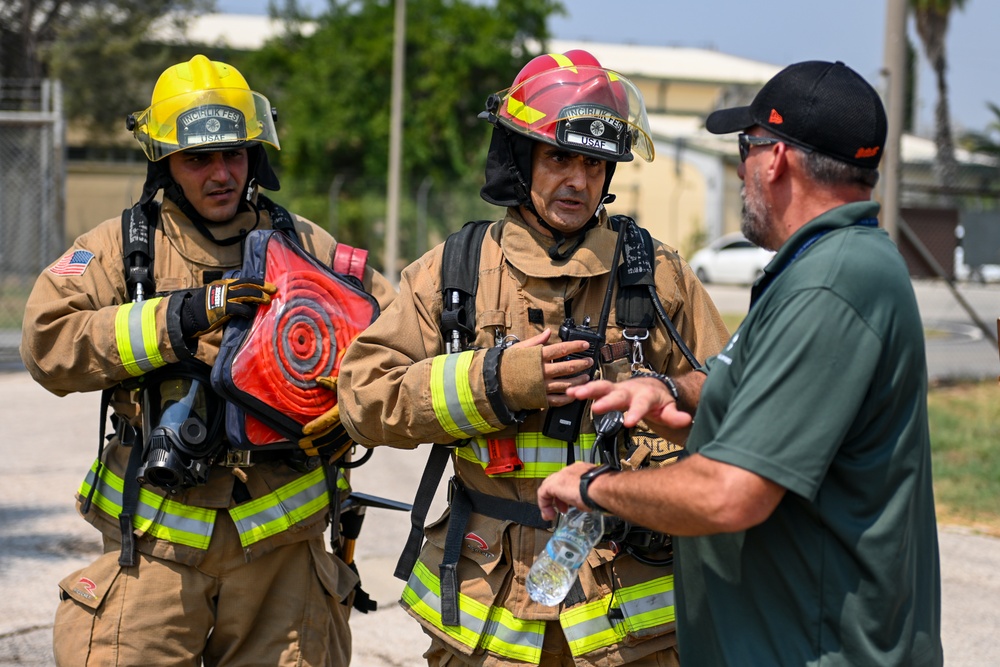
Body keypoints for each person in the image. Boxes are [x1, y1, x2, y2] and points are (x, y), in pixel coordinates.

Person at [537, 60, 944, 666]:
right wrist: (670, 397)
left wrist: (595, 487)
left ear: (775, 158)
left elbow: (730, 496)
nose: (740, 168)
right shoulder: (824, 266)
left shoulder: (828, 286)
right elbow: (765, 401)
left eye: (744, 148)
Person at [337, 49, 730, 666]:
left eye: (595, 162)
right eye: (559, 157)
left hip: (631, 623)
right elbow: (363, 396)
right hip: (488, 618)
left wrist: (665, 401)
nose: (579, 179)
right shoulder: (457, 270)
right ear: (521, 161)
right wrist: (493, 381)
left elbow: (733, 398)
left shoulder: (654, 275)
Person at [20, 54, 394, 666]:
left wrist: (352, 406)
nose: (220, 173)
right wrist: (180, 317)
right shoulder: (121, 250)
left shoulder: (306, 248)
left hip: (283, 563)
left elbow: (395, 339)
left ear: (256, 157)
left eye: (234, 154)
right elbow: (45, 342)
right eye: (199, 158)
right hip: (152, 554)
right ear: (165, 161)